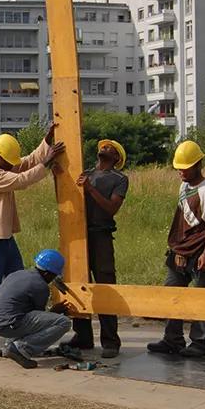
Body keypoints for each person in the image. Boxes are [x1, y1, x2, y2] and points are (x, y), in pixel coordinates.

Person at [0, 127, 64, 356]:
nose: (13, 163)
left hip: (5, 239)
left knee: (20, 283)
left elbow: (27, 161)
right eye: (9, 160)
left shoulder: (4, 167)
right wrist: (48, 163)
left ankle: (19, 333)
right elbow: (23, 179)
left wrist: (46, 141)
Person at [147, 140, 205, 359]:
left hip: (200, 252)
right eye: (178, 167)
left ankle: (200, 343)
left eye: (185, 167)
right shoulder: (184, 187)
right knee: (172, 295)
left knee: (201, 299)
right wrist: (178, 250)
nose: (180, 172)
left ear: (198, 165)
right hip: (180, 250)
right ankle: (172, 339)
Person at [70, 139, 128, 358]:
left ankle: (111, 341)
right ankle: (83, 336)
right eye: (103, 147)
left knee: (105, 287)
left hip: (101, 236)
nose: (104, 149)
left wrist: (90, 190)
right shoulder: (85, 173)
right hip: (80, 236)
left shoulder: (119, 179)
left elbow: (111, 208)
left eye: (110, 148)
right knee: (79, 285)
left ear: (116, 158)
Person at [0, 250, 73, 369]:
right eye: (54, 275)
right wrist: (55, 312)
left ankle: (11, 345)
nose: (54, 279)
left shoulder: (18, 274)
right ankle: (21, 348)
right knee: (63, 322)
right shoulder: (40, 286)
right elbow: (39, 318)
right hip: (7, 324)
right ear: (47, 273)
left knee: (22, 316)